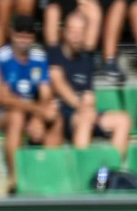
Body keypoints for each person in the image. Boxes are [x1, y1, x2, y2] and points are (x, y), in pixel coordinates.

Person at [49, 11, 130, 171]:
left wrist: (89, 107)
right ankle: (83, 172)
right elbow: (59, 84)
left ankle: (110, 173)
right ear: (64, 32)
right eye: (72, 31)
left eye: (80, 32)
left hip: (84, 112)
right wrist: (82, 107)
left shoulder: (86, 58)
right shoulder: (55, 53)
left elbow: (88, 93)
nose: (76, 36)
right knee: (86, 117)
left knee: (123, 120)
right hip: (63, 114)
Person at [0, 15, 59, 192]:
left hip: (31, 110)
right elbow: (5, 99)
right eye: (19, 35)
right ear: (11, 34)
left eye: (28, 36)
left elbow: (46, 93)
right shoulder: (2, 57)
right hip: (2, 114)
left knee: (55, 115)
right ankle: (15, 179)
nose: (23, 40)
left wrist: (38, 117)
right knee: (17, 116)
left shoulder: (39, 56)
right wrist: (37, 109)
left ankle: (50, 175)